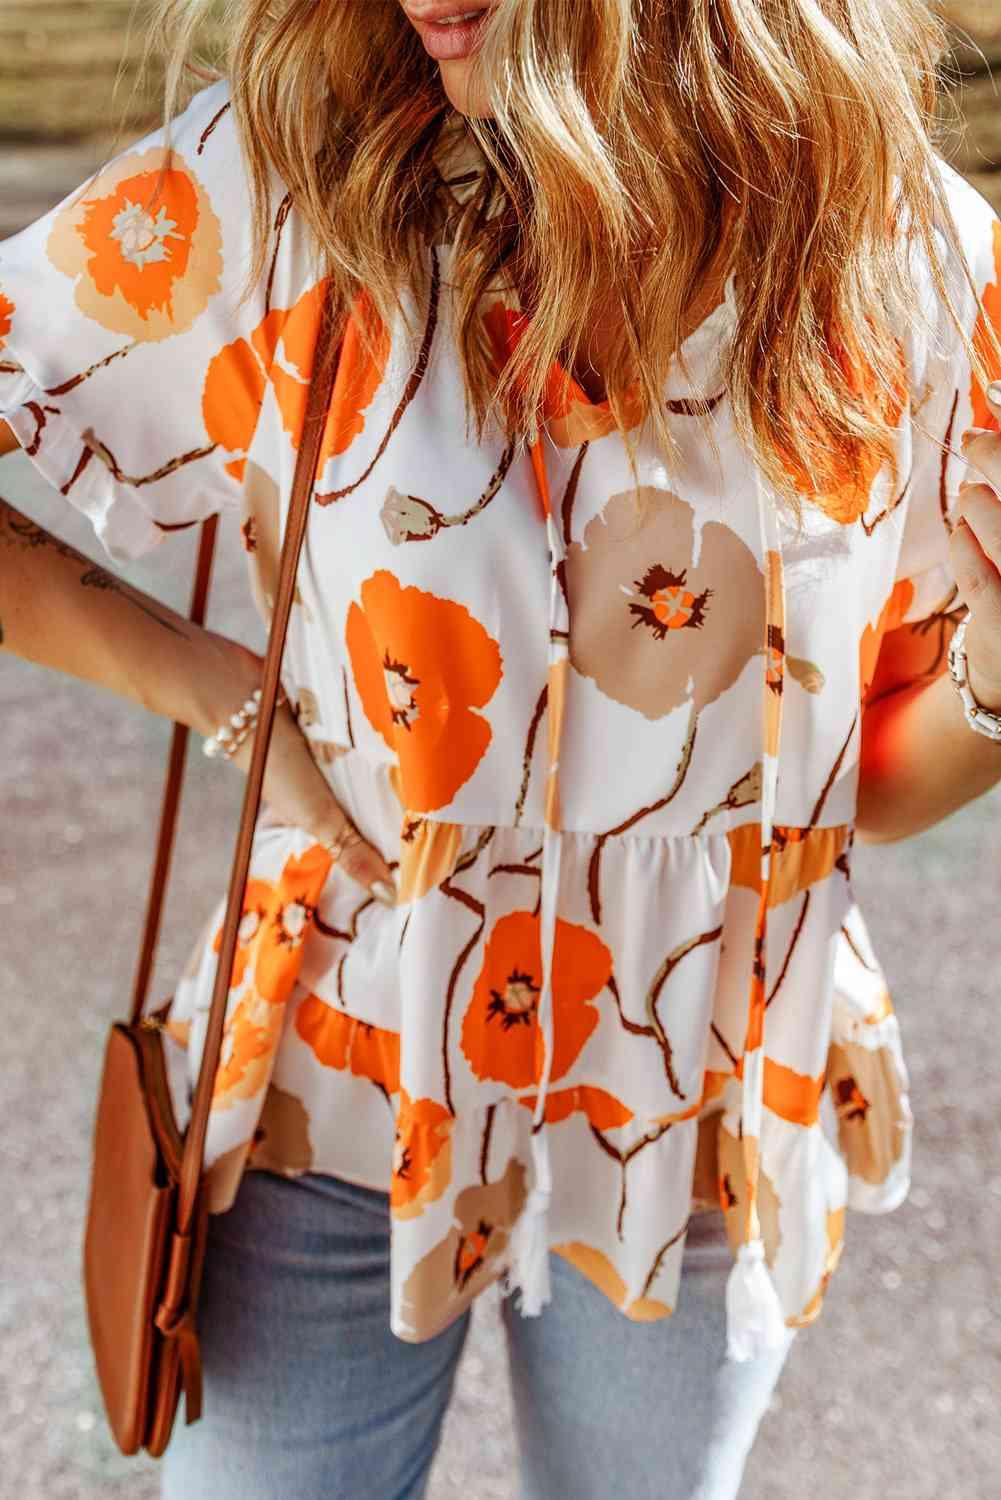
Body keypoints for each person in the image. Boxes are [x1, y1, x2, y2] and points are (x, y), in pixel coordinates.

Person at [2, 1, 1001, 1496]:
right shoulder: (282, 190)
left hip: (697, 1086)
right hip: (336, 1065)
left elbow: (868, 790)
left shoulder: (879, 244)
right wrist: (211, 683)